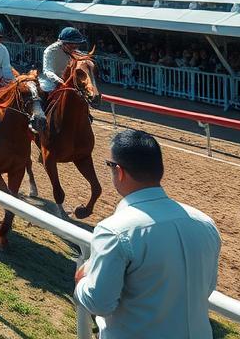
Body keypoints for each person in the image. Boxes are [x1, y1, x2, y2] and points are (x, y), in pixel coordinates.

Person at [74, 129, 221, 338]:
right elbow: (206, 288)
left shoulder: (113, 230)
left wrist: (81, 281)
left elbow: (99, 303)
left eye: (109, 166)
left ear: (119, 171)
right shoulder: (205, 224)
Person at [39, 27, 86, 93]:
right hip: (50, 82)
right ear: (62, 43)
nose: (74, 49)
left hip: (70, 82)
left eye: (76, 46)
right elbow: (47, 70)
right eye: (71, 46)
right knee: (40, 99)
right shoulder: (50, 51)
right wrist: (59, 80)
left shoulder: (75, 51)